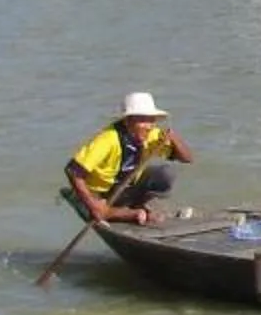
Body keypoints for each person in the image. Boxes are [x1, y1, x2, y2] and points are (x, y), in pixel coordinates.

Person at [64, 92, 194, 227]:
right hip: (100, 194)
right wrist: (93, 205)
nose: (149, 126)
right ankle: (120, 213)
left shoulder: (152, 135)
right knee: (100, 209)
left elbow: (187, 158)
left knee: (166, 173)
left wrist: (174, 139)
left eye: (151, 120)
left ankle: (135, 208)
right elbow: (72, 171)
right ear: (127, 121)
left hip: (125, 188)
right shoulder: (108, 139)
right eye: (143, 120)